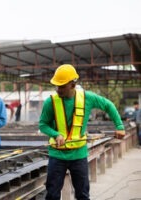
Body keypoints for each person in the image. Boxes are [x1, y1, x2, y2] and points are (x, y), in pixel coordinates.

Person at [38, 64, 125, 200]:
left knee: (83, 195)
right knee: (52, 195)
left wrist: (119, 126)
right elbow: (43, 124)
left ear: (72, 85)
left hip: (79, 155)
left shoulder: (87, 98)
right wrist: (55, 134)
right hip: (57, 154)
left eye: (62, 86)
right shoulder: (50, 102)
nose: (58, 89)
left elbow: (109, 105)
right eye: (56, 86)